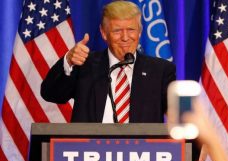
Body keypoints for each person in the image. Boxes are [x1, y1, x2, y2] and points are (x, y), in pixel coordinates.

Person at [41, 1, 176, 123]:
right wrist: (68, 62)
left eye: (131, 30)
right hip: (89, 149)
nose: (125, 37)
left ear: (139, 32)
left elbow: (178, 114)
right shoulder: (85, 65)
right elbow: (51, 94)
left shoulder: (160, 71)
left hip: (142, 149)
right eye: (117, 31)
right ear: (104, 33)